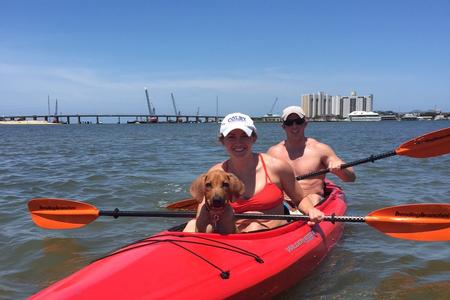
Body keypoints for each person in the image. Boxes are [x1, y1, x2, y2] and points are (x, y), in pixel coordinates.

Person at [184, 112, 324, 234]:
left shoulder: (277, 167)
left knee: (254, 226)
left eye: (244, 136)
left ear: (253, 138)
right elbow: (204, 206)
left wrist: (311, 210)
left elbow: (299, 199)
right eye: (231, 137)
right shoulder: (216, 173)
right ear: (222, 141)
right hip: (235, 233)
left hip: (271, 233)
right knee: (191, 225)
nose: (238, 142)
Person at [267, 106, 356, 206]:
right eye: (289, 123)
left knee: (312, 198)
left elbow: (350, 178)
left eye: (298, 121)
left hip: (314, 202)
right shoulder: (273, 152)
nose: (294, 126)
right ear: (283, 126)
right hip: (285, 204)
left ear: (305, 123)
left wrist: (340, 168)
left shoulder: (320, 149)